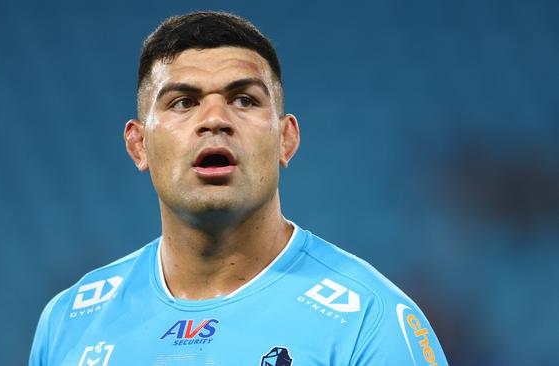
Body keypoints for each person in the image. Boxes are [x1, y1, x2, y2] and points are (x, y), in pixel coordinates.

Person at [29, 11, 448, 366]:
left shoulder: (370, 321)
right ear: (139, 145)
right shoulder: (69, 320)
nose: (215, 119)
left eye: (244, 100)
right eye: (183, 102)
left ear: (286, 138)